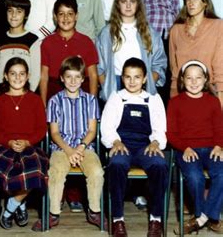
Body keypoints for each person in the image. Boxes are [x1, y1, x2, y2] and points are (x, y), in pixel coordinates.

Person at [32, 56, 106, 231]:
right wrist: (69, 150)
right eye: (69, 77)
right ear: (62, 78)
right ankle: (53, 213)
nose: (73, 81)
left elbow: (92, 131)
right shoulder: (54, 101)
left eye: (77, 77)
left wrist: (80, 148)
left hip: (84, 147)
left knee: (96, 172)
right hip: (61, 148)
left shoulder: (90, 100)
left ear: (82, 79)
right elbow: (55, 132)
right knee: (55, 172)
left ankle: (94, 211)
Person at [101, 58, 168, 237]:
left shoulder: (153, 98)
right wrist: (115, 141)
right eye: (128, 77)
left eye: (137, 77)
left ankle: (156, 219)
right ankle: (117, 220)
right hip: (123, 145)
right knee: (116, 165)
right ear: (122, 78)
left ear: (145, 78)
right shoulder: (116, 98)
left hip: (146, 146)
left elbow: (160, 126)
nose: (132, 81)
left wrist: (155, 142)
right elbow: (106, 126)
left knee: (159, 165)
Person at [0, 57, 48, 230]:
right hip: (4, 146)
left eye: (22, 74)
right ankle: (21, 204)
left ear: (28, 76)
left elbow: (41, 128)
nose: (17, 78)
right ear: (6, 76)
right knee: (1, 169)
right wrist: (8, 142)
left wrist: (27, 142)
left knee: (35, 170)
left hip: (29, 146)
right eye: (13, 74)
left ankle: (9, 208)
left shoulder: (35, 99)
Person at [167, 60, 223, 234]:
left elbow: (220, 128)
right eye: (189, 78)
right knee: (194, 176)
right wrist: (185, 148)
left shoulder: (213, 102)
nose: (194, 82)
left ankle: (201, 219)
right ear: (183, 80)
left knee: (221, 173)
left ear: (205, 79)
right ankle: (208, 217)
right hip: (187, 149)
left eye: (198, 78)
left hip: (211, 148)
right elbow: (171, 133)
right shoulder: (175, 102)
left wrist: (219, 146)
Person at [96, 0, 167, 102]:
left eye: (132, 1)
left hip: (141, 85)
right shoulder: (106, 33)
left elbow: (159, 63)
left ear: (138, 4)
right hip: (115, 85)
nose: (128, 5)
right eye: (124, 1)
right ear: (118, 4)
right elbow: (99, 67)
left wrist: (147, 82)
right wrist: (106, 86)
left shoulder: (150, 32)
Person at [169, 0, 223, 108]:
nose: (191, 3)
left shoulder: (218, 26)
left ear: (205, 2)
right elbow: (175, 69)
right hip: (182, 96)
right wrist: (173, 99)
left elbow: (220, 66)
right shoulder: (176, 30)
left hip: (209, 94)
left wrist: (220, 102)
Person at [40, 0, 99, 104]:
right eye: (61, 14)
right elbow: (44, 77)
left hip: (81, 94)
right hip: (54, 94)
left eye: (70, 14)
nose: (66, 18)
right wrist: (43, 105)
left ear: (76, 16)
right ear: (55, 16)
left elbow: (93, 76)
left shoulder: (86, 42)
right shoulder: (47, 42)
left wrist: (92, 104)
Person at [0, 0, 40, 92]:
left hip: (25, 93)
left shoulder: (33, 40)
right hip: (2, 93)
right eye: (10, 11)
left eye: (19, 11)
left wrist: (29, 94)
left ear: (26, 15)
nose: (14, 15)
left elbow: (36, 73)